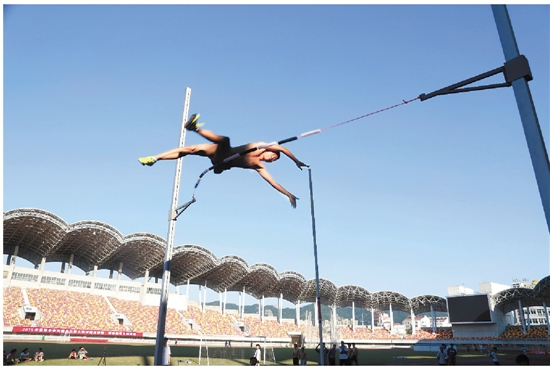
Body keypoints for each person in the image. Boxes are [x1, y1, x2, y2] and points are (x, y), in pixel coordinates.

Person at [138, 114, 308, 208]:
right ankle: (155, 158)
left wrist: (289, 194)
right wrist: (296, 161)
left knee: (224, 140)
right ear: (271, 152)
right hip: (221, 151)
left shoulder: (258, 166)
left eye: (273, 161)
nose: (271, 159)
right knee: (189, 150)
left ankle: (194, 128)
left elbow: (273, 183)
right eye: (273, 156)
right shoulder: (261, 145)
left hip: (221, 163)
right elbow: (283, 148)